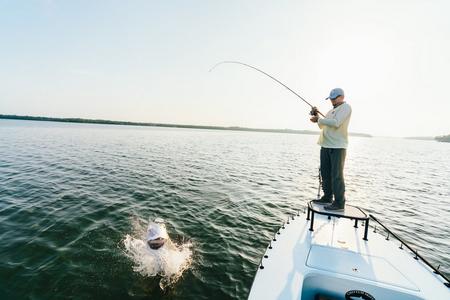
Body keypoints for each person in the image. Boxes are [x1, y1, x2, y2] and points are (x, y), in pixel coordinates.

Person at [309, 88, 352, 211]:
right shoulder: (330, 111)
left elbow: (336, 123)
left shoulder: (346, 108)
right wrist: (316, 115)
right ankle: (327, 197)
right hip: (325, 145)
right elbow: (321, 125)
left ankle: (339, 203)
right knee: (325, 173)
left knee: (336, 175)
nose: (332, 100)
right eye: (331, 98)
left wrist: (319, 119)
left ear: (341, 97)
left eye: (334, 98)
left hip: (337, 146)